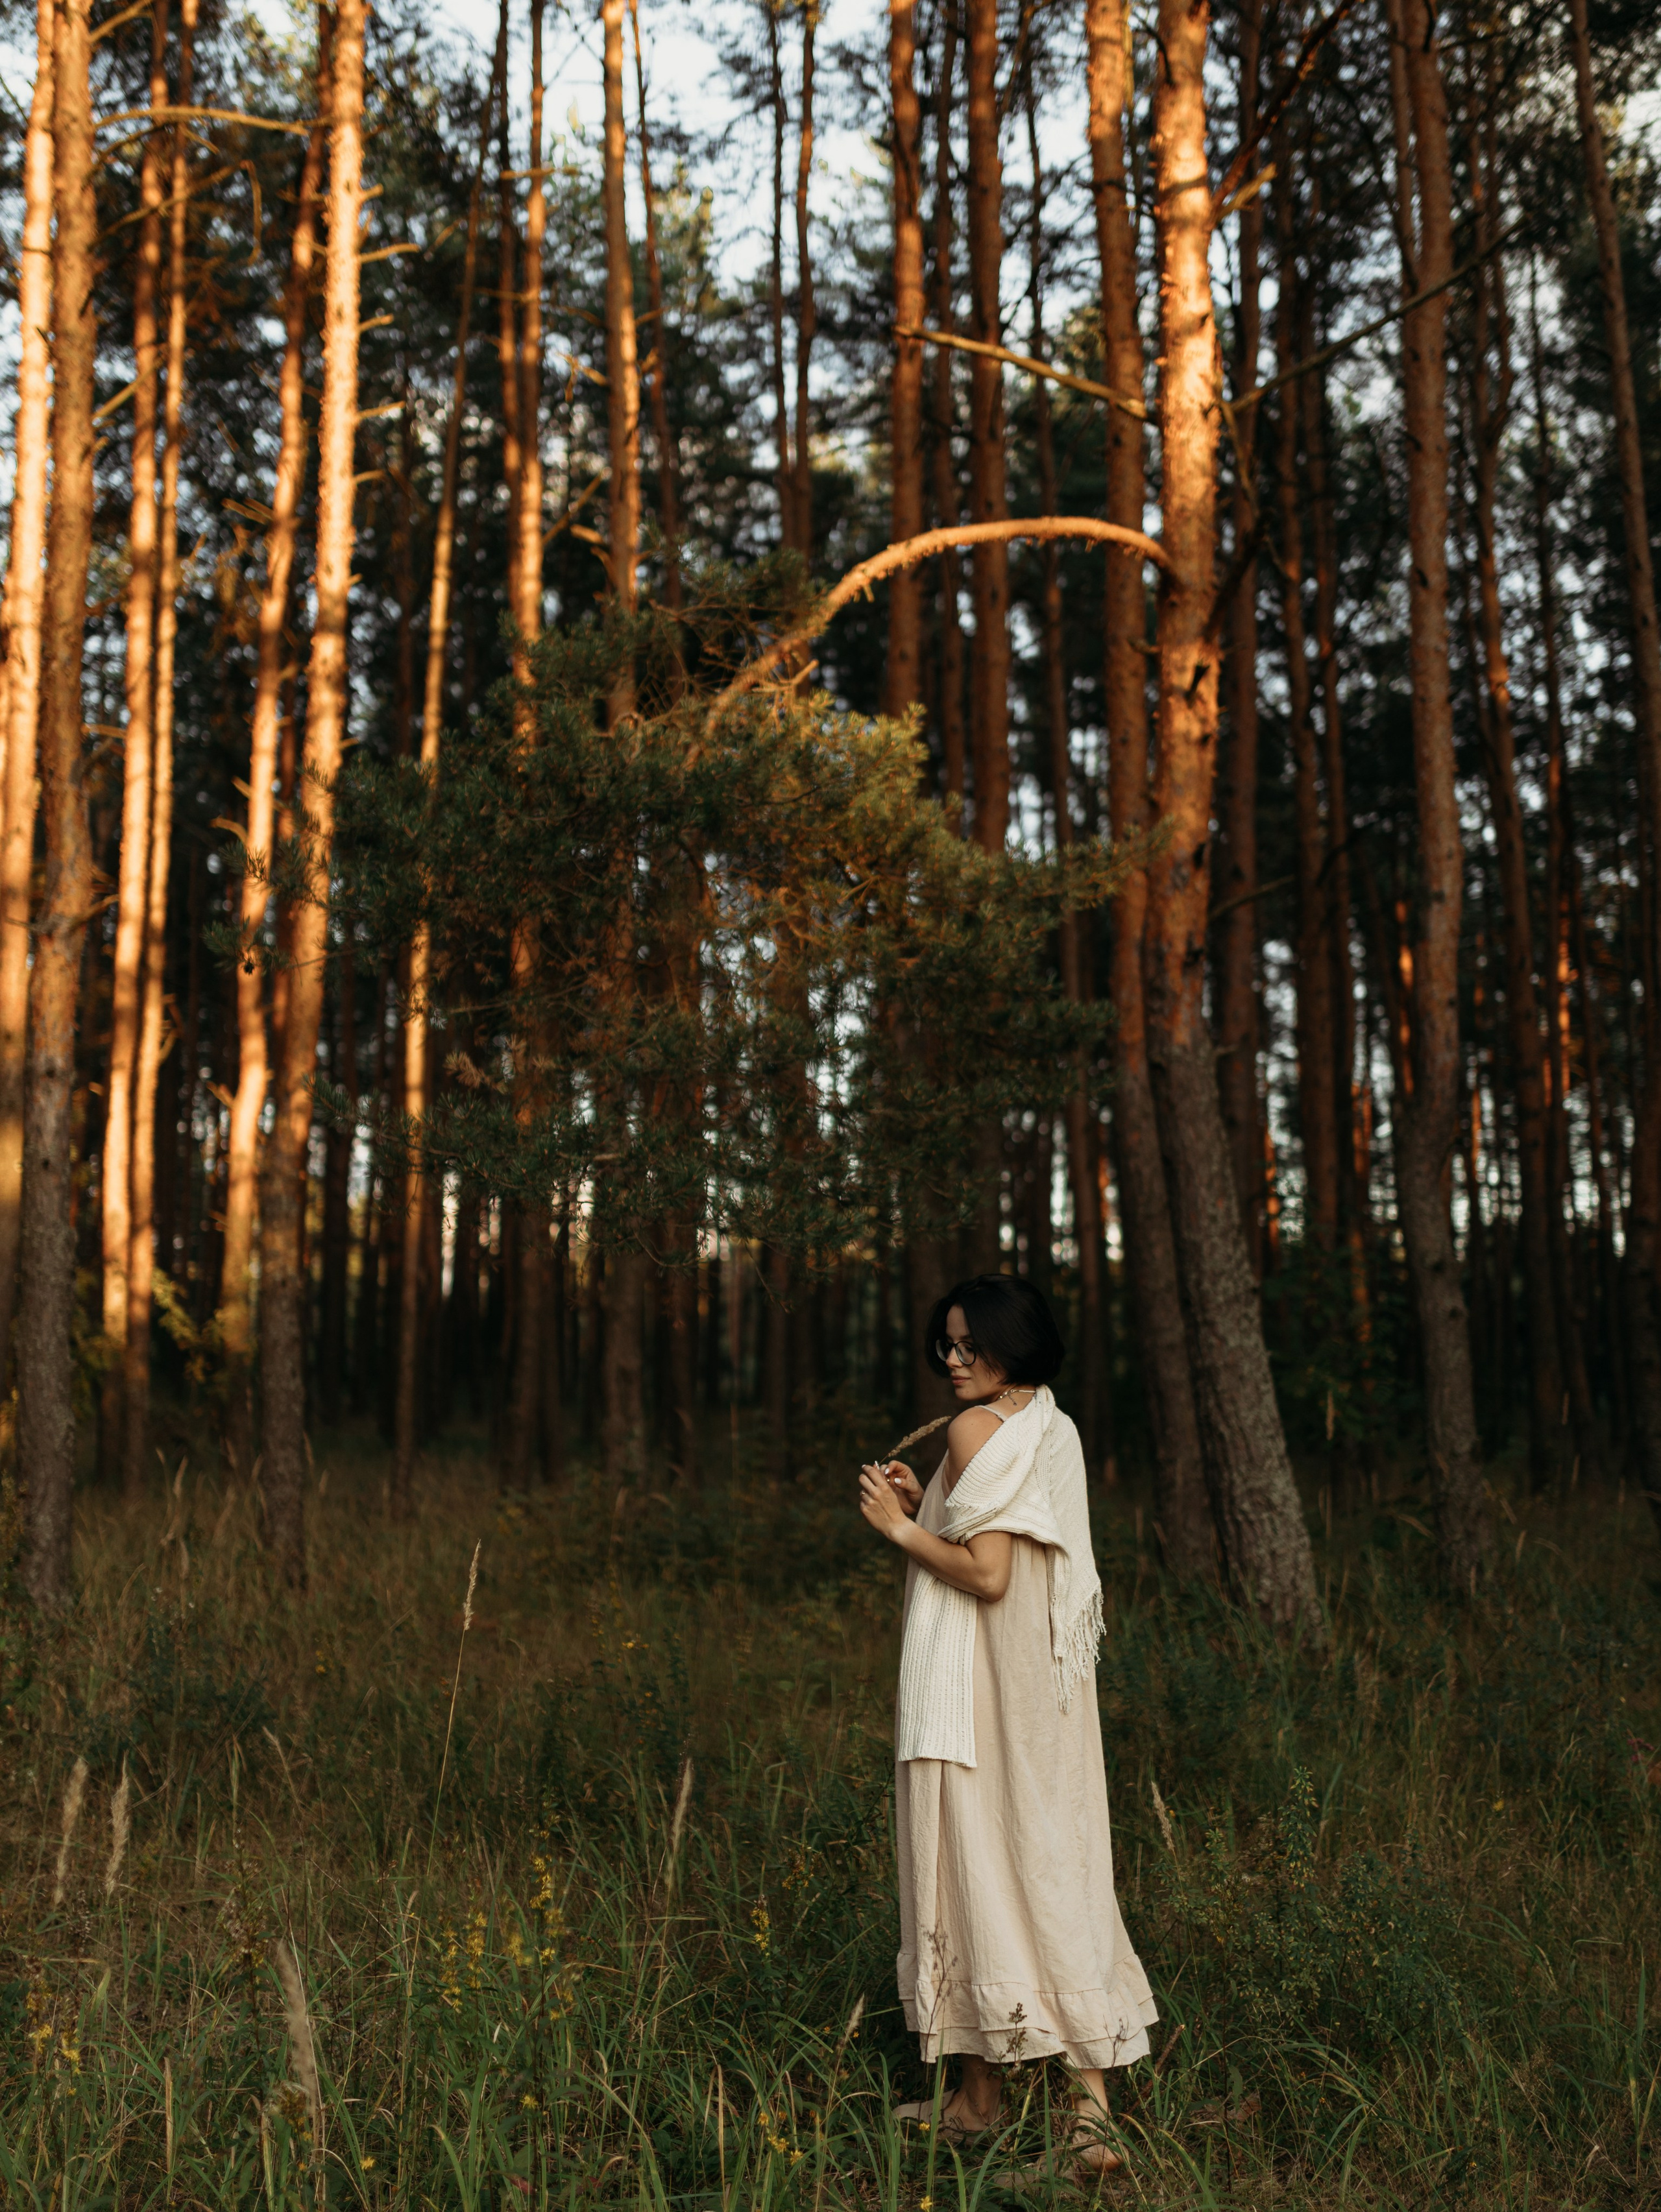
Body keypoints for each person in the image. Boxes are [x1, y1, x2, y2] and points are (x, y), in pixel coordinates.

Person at [858, 1273, 1157, 2180]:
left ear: (1011, 1345)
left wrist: (897, 1527)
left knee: (971, 1861)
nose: (954, 1360)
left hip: (980, 1687)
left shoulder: (975, 1427)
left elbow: (986, 1576)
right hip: (1042, 1691)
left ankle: (1048, 2121)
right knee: (1045, 1864)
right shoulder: (1050, 1422)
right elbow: (1006, 1537)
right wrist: (933, 1499)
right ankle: (1016, 2106)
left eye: (971, 1345)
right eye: (946, 1344)